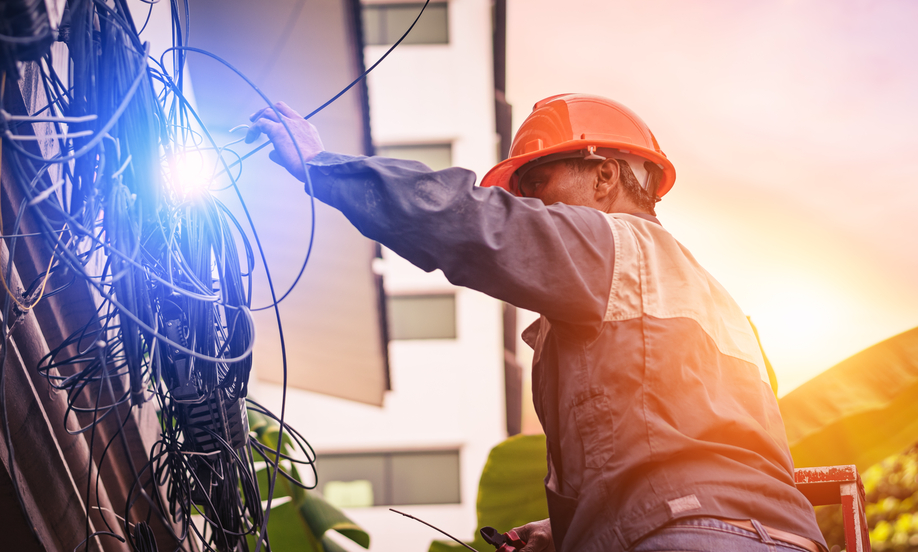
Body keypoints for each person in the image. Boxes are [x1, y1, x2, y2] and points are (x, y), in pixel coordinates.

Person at [247, 94, 827, 552]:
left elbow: (471, 223)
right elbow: (688, 444)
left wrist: (323, 167)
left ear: (604, 178)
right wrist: (564, 534)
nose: (529, 205)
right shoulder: (709, 298)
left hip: (684, 531)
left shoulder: (614, 249)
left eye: (538, 184)